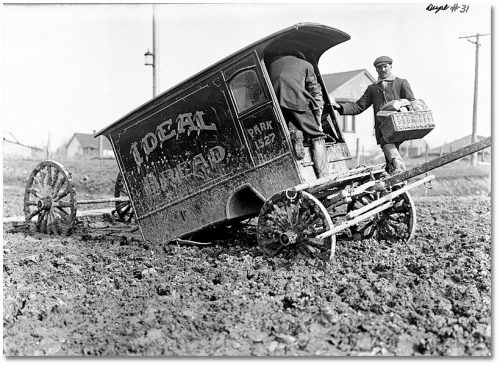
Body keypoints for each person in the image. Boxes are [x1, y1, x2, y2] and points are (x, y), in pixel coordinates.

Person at [331, 56, 415, 175]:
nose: (383, 70)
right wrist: (340, 107)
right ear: (376, 70)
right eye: (379, 67)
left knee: (388, 147)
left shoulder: (401, 83)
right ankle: (395, 178)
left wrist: (404, 107)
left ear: (391, 66)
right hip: (382, 129)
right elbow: (358, 106)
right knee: (389, 156)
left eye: (385, 66)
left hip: (399, 126)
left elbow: (411, 101)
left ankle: (399, 171)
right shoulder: (372, 88)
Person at [268, 50, 329, 178]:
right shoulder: (306, 65)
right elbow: (315, 91)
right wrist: (317, 120)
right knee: (317, 136)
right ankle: (324, 176)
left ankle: (296, 137)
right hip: (296, 101)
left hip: (274, 106)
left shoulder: (271, 64)